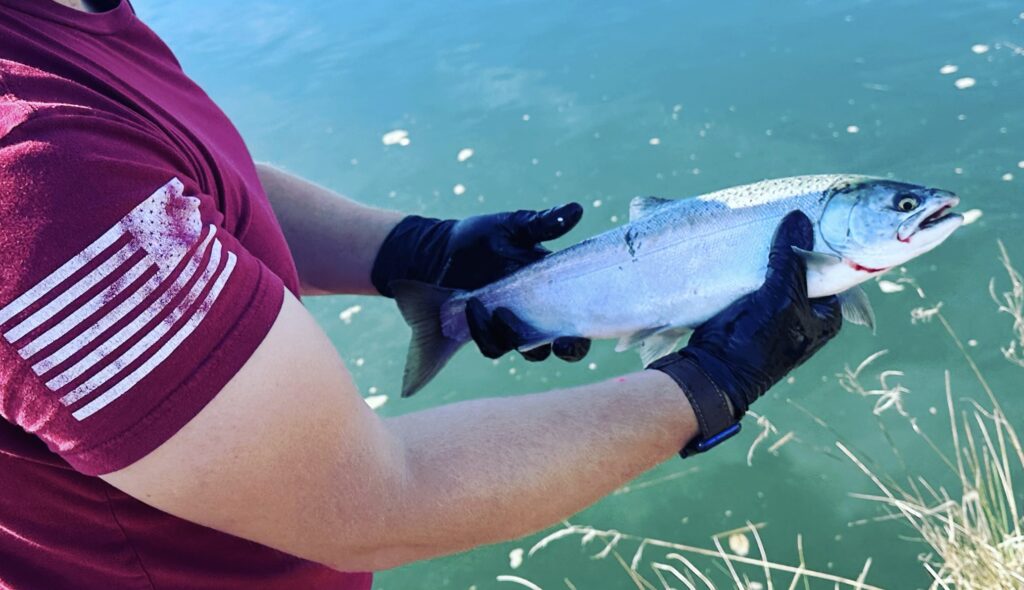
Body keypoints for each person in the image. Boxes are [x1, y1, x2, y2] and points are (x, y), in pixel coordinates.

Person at [0, 1, 842, 588]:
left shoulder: (64, 22)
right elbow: (372, 499)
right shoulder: (38, 169)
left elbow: (174, 188)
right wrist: (713, 379)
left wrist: (411, 248)